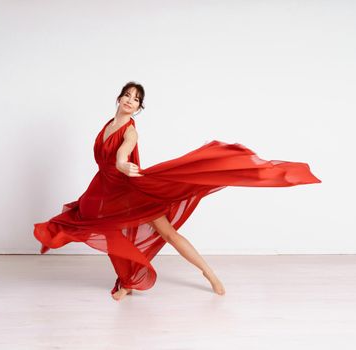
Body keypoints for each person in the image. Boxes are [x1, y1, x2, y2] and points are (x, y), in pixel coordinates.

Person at [33, 81, 321, 301]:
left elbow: (123, 153)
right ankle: (127, 279)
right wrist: (116, 166)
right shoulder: (108, 124)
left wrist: (123, 164)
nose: (131, 102)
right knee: (95, 224)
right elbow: (106, 158)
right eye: (128, 96)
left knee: (167, 233)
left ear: (139, 108)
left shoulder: (130, 130)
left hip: (129, 189)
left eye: (137, 100)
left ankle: (208, 275)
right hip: (103, 189)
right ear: (119, 98)